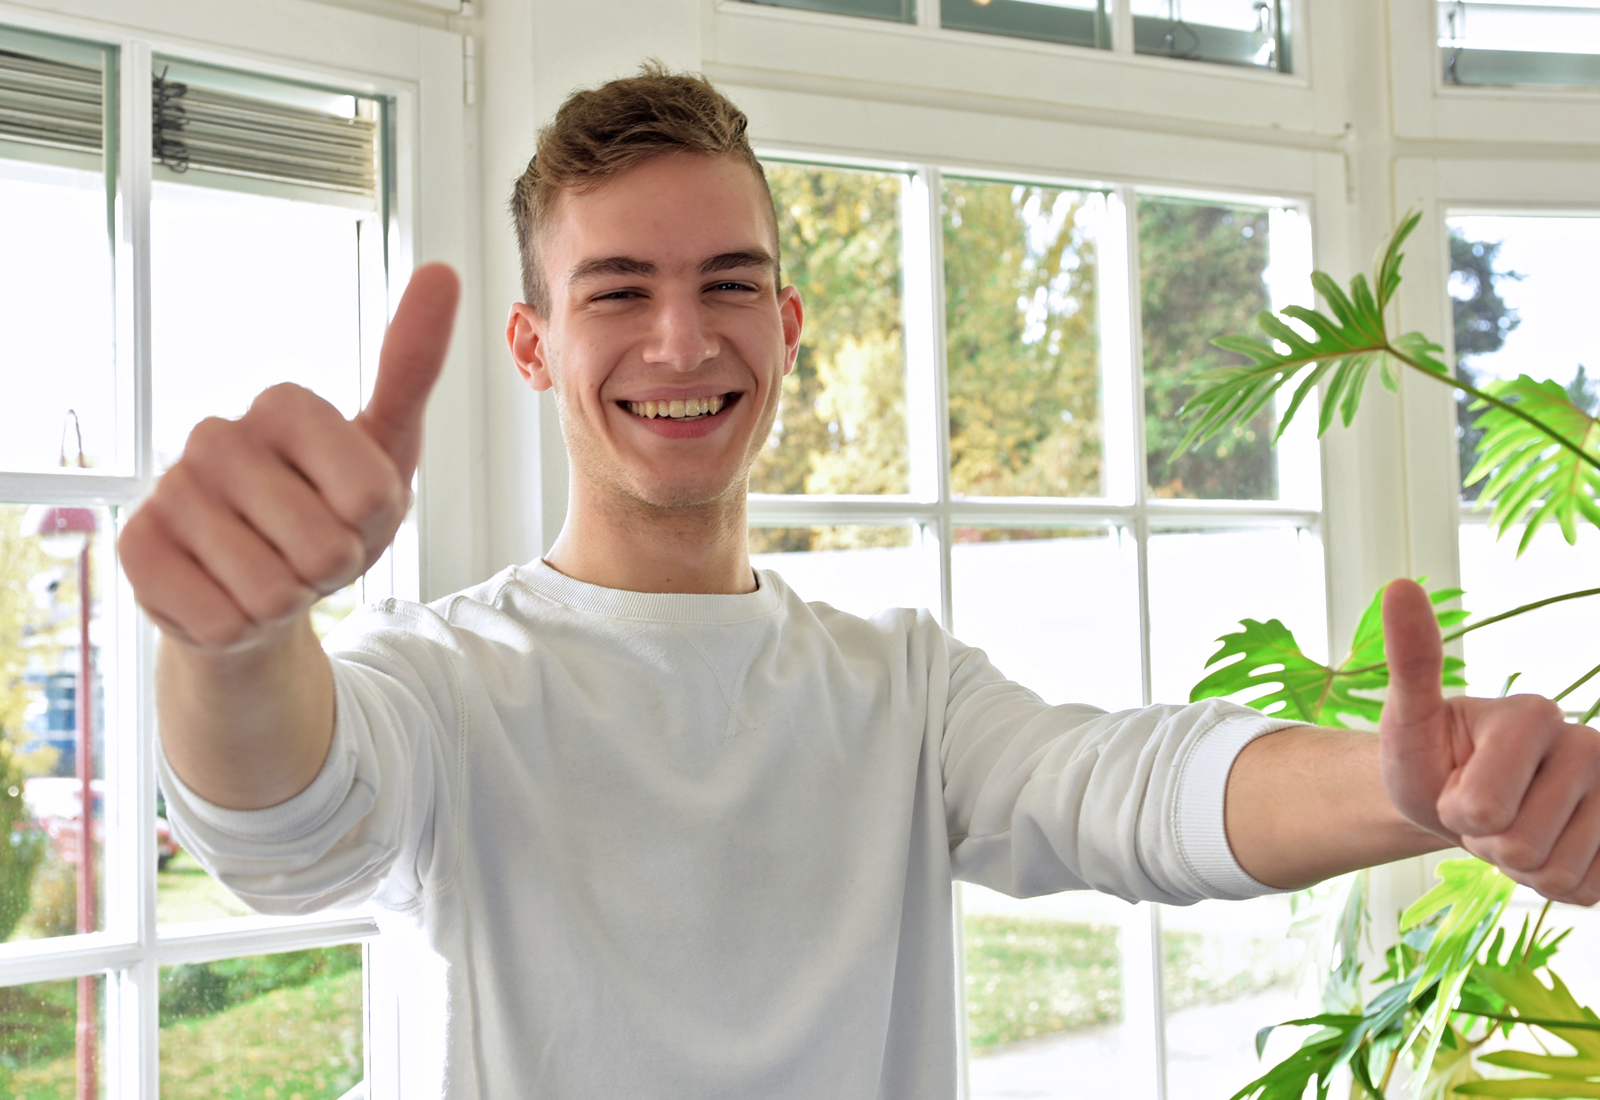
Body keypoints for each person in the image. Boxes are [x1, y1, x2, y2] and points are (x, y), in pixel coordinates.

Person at [119, 66, 1600, 1098]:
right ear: (531, 346)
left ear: (791, 317)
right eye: (618, 290)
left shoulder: (899, 683)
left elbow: (1125, 790)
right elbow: (293, 823)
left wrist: (1416, 795)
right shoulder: (446, 682)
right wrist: (233, 643)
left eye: (730, 283)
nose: (684, 343)